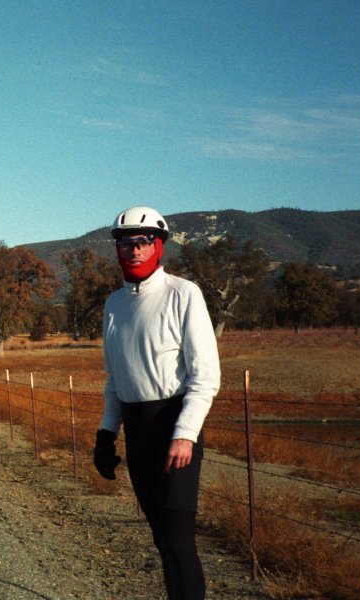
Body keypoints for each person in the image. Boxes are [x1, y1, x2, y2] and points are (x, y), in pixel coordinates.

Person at [93, 206, 220, 600]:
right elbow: (116, 380)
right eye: (126, 243)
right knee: (161, 540)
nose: (134, 250)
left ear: (159, 245)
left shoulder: (183, 293)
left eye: (143, 242)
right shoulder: (114, 305)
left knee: (180, 541)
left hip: (174, 426)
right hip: (137, 429)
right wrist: (105, 434)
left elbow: (205, 377)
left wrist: (185, 435)